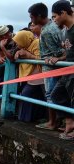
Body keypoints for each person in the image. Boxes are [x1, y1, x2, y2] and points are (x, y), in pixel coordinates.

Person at [29, 2, 66, 130]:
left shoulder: (47, 31)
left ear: (39, 16)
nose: (31, 20)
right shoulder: (52, 26)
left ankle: (52, 122)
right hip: (54, 68)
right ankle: (58, 122)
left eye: (32, 17)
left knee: (50, 95)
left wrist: (58, 58)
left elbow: (58, 52)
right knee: (56, 95)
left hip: (51, 69)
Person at [51, 0, 74, 140]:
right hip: (67, 70)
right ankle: (70, 122)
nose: (54, 20)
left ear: (63, 13)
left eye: (55, 16)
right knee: (56, 95)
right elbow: (69, 51)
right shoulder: (65, 31)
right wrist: (59, 59)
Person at [13, 30, 46, 122]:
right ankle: (27, 118)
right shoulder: (25, 46)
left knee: (27, 94)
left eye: (18, 42)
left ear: (24, 39)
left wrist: (28, 55)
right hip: (33, 76)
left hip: (39, 75)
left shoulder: (36, 43)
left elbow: (40, 58)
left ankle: (26, 119)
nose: (17, 45)